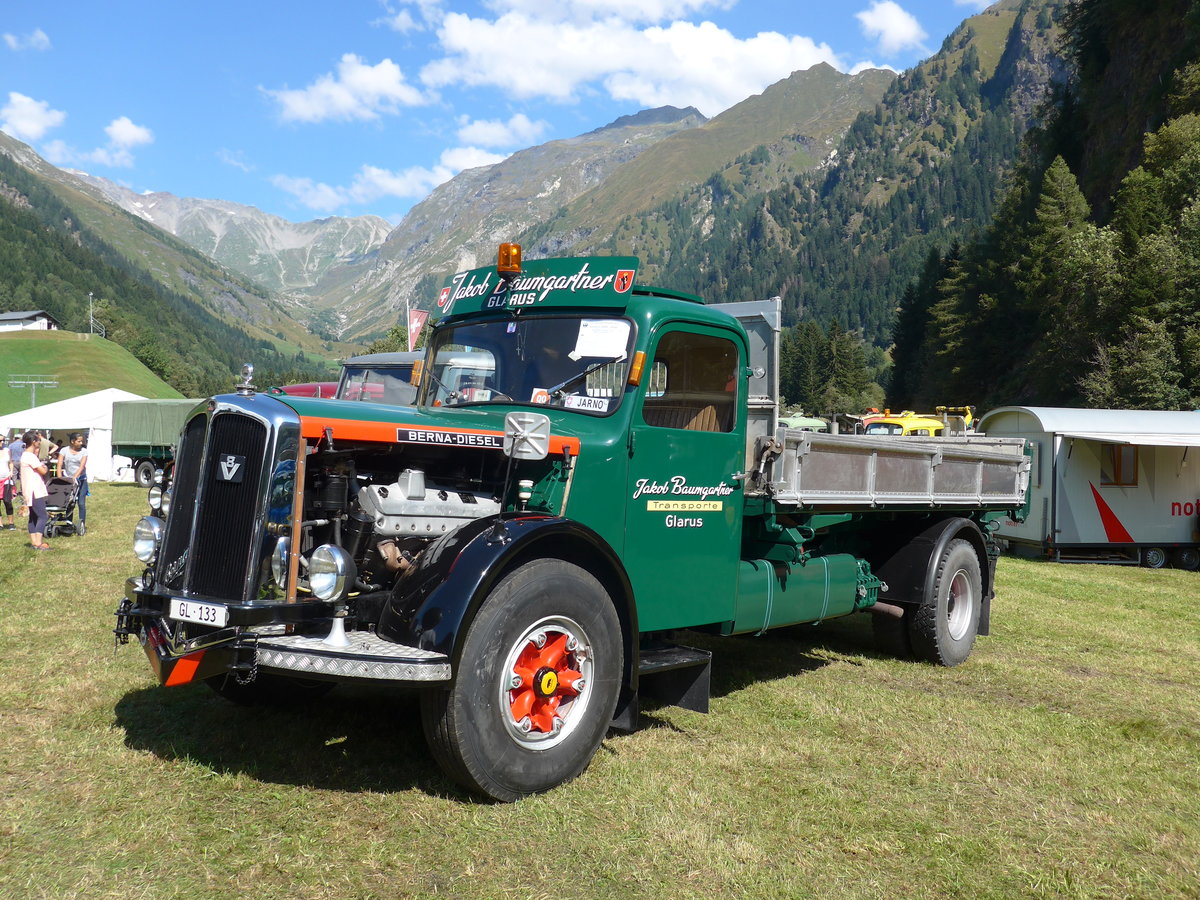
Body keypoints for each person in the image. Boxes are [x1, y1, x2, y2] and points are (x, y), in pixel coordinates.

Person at [19, 430, 51, 551]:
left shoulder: (25, 455)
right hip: (34, 490)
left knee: (33, 517)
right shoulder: (30, 456)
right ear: (33, 442)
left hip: (28, 489)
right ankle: (38, 542)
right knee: (43, 516)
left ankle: (34, 542)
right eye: (38, 440)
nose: (39, 442)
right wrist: (45, 467)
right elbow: (42, 471)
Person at [58, 432, 89, 535]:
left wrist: (75, 477)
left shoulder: (84, 451)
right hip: (68, 480)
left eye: (81, 441)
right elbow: (59, 464)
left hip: (81, 480)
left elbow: (82, 466)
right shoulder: (64, 450)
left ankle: (82, 524)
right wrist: (59, 478)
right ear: (72, 441)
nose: (81, 443)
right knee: (69, 503)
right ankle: (68, 524)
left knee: (81, 503)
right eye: (79, 441)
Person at [0, 435, 15, 529]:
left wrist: (11, 471)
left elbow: (11, 462)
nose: (2, 442)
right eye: (0, 440)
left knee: (7, 501)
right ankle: (0, 524)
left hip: (6, 479)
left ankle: (11, 523)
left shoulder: (7, 450)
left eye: (3, 440)